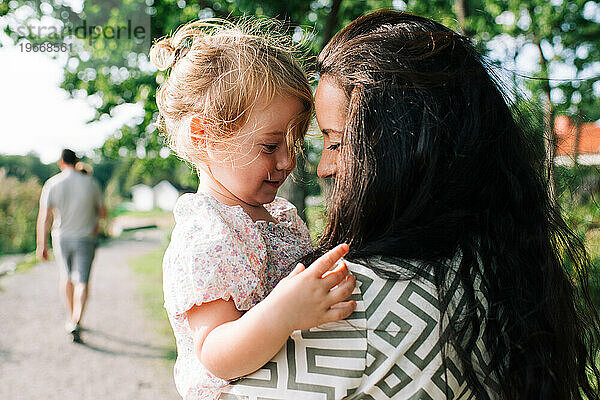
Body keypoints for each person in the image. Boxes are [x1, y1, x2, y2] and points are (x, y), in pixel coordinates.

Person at [223, 10, 600, 399]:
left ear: (399, 149)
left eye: (335, 142)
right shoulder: (497, 271)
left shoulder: (350, 299)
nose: (323, 168)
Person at [150, 18, 357, 400]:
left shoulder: (280, 215)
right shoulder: (207, 233)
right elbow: (216, 352)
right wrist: (283, 312)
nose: (288, 161)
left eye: (294, 144)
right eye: (269, 146)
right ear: (205, 135)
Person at [36, 149, 106, 343]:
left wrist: (41, 244)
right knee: (82, 280)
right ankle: (77, 320)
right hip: (86, 238)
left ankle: (70, 317)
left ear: (61, 162)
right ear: (76, 162)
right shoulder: (91, 183)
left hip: (62, 238)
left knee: (66, 277)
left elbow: (45, 217)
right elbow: (102, 212)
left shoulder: (52, 183)